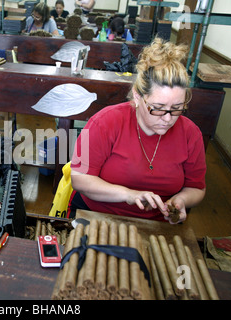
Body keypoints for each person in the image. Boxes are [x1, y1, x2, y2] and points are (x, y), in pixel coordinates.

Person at [67, 37, 206, 224]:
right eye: (158, 107)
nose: (167, 118)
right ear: (138, 96)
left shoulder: (191, 134)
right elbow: (80, 179)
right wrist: (128, 195)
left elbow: (196, 187)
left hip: (157, 224)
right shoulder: (103, 123)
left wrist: (181, 200)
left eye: (177, 108)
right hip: (98, 215)